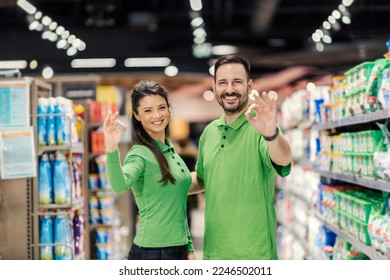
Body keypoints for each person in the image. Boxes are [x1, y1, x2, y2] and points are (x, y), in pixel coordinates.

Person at [192, 55, 292, 260]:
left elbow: (283, 159)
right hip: (215, 254)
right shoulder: (209, 132)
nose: (230, 89)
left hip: (255, 255)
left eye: (237, 82)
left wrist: (271, 134)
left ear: (249, 86)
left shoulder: (261, 126)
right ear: (214, 87)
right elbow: (203, 179)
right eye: (223, 83)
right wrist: (164, 182)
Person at [103, 80, 195, 260]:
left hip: (177, 248)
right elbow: (120, 185)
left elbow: (177, 205)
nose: (157, 115)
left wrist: (189, 247)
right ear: (136, 116)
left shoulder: (169, 150)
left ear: (169, 108)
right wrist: (111, 149)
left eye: (161, 107)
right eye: (147, 110)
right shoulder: (140, 153)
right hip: (153, 252)